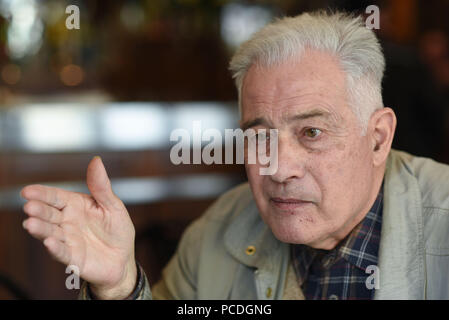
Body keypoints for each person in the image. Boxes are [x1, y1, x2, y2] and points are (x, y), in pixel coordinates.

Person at [21, 11, 449, 300]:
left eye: (312, 132)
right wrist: (120, 287)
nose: (277, 168)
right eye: (258, 136)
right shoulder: (220, 230)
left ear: (377, 137)